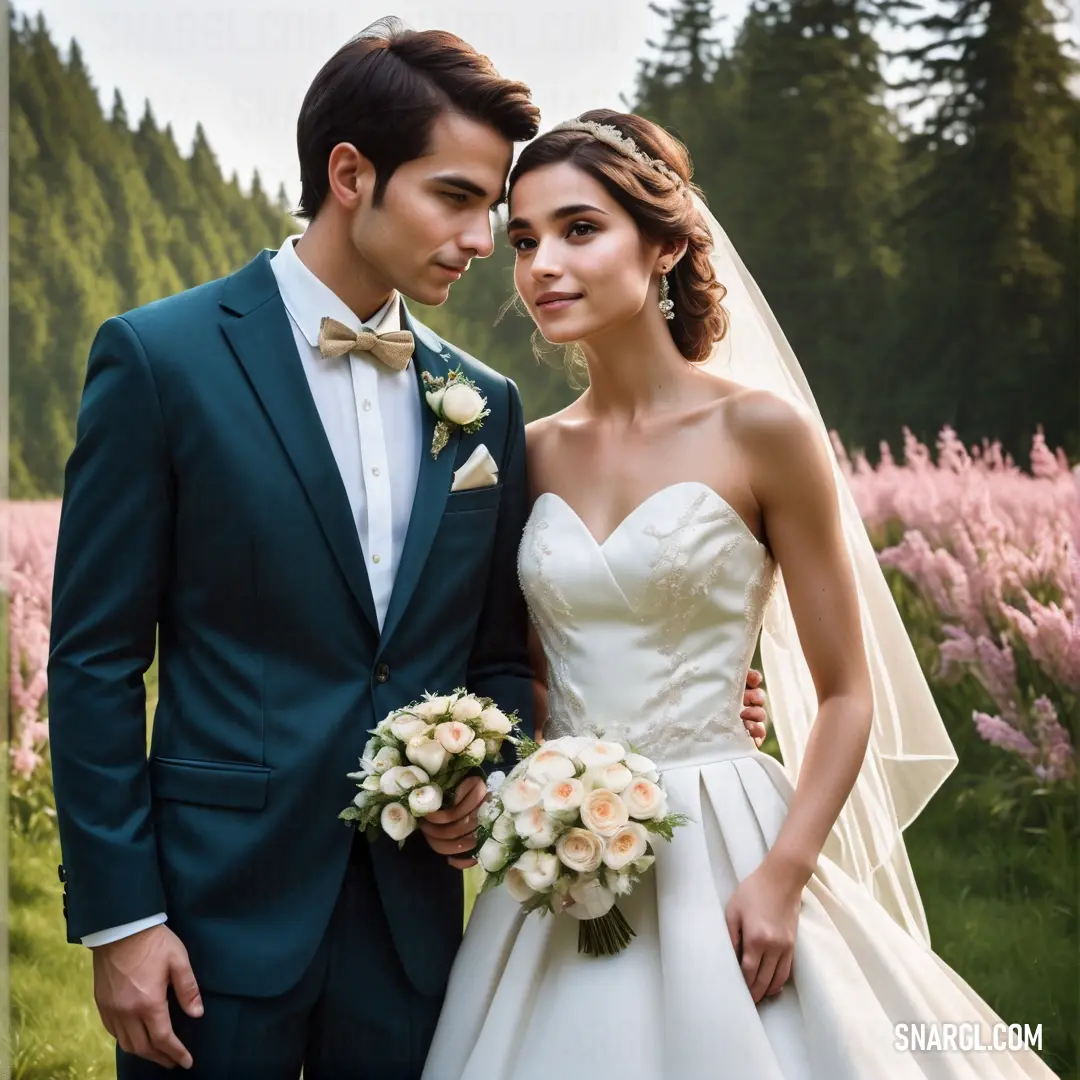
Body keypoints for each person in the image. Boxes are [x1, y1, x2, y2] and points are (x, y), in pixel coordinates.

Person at [46, 23, 770, 1080]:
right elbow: (95, 660)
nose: (486, 242)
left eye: (495, 211)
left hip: (416, 936)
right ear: (350, 174)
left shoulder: (485, 408)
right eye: (459, 199)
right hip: (211, 923)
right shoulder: (161, 361)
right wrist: (121, 922)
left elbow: (494, 655)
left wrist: (488, 778)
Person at [419, 110, 1061, 1080]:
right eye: (524, 239)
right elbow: (529, 675)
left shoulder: (763, 433)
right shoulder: (530, 452)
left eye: (579, 229)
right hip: (562, 852)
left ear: (667, 243)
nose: (542, 262)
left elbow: (847, 693)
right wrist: (495, 780)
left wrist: (783, 876)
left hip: (731, 839)